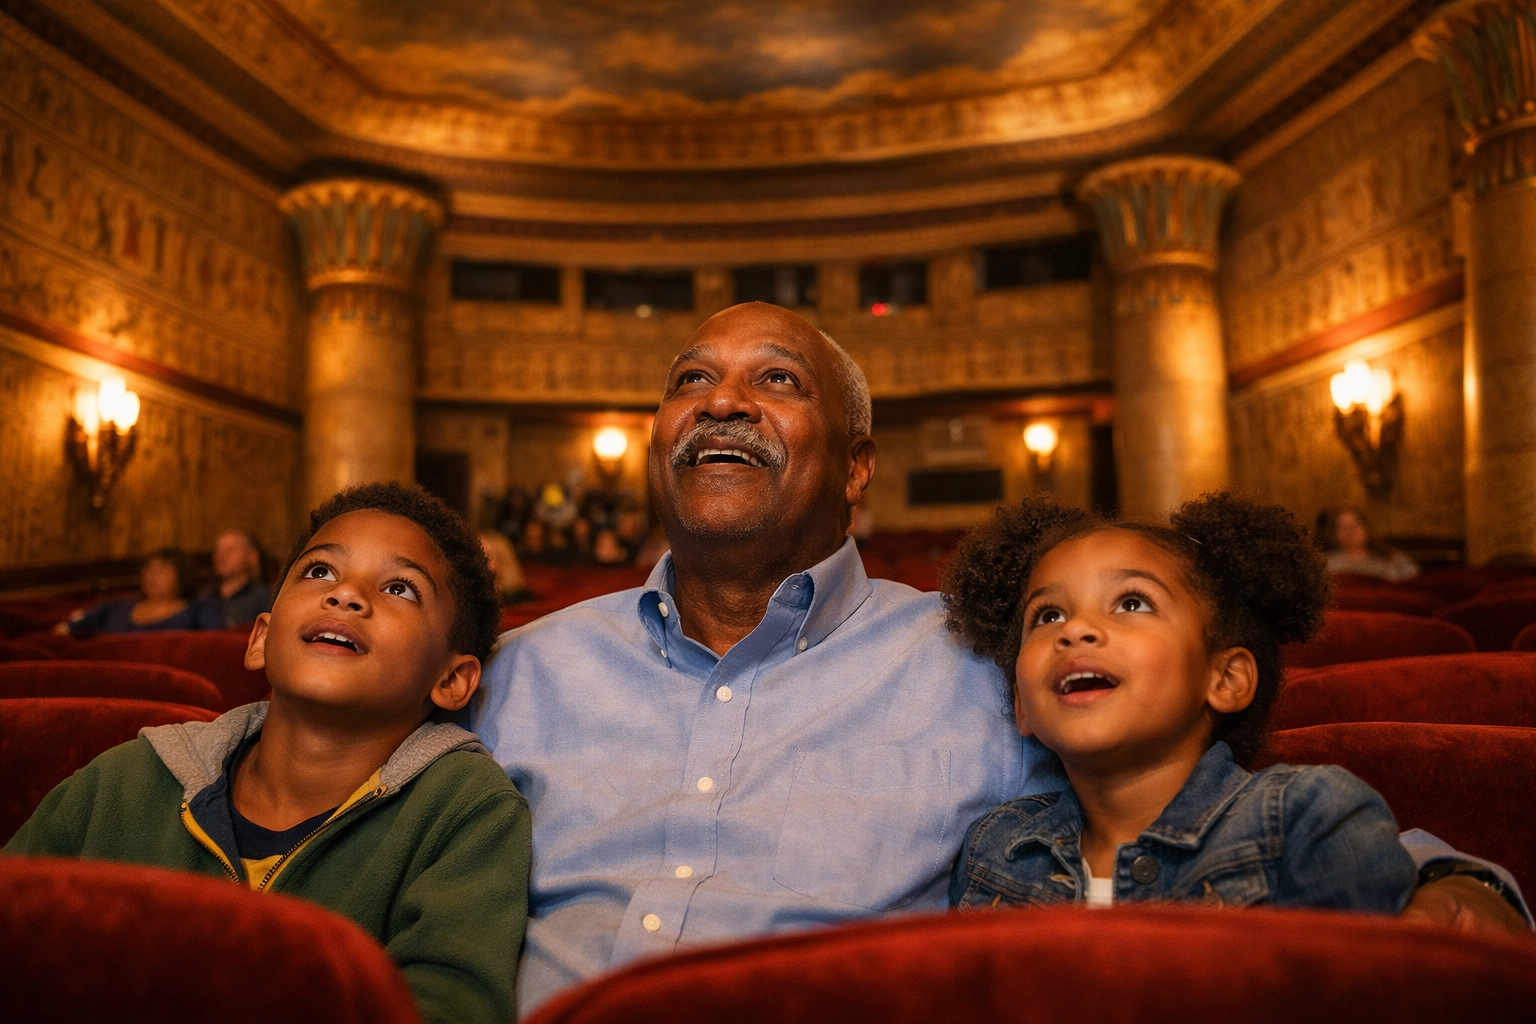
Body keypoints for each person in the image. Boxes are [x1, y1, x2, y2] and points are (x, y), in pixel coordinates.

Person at [475, 303, 1528, 1016]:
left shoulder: (989, 662)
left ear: (858, 467)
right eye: (692, 378)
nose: (721, 399)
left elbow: (1207, 807)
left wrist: (1449, 878)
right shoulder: (519, 665)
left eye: (776, 378)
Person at [11, 483, 531, 1024]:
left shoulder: (465, 813)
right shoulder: (121, 782)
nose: (346, 595)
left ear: (452, 679)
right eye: (320, 572)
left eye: (400, 588)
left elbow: (450, 1004)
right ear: (260, 637)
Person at [944, 493, 1416, 912]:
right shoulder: (995, 848)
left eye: (1132, 603)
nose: (1074, 629)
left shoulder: (1305, 819)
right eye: (1048, 615)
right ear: (1021, 706)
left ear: (1226, 679)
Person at [57, 548, 221, 637]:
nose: (152, 575)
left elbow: (215, 645)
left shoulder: (199, 609)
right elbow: (68, 629)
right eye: (148, 569)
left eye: (161, 569)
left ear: (181, 576)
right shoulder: (116, 607)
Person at [1319, 507, 1419, 581]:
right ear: (1333, 533)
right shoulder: (1325, 564)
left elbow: (1414, 580)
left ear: (1366, 528)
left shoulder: (1392, 559)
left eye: (1355, 525)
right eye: (1343, 527)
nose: (1351, 531)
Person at [203, 529, 274, 628]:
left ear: (252, 556)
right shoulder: (205, 596)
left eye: (229, 550)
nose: (221, 556)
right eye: (218, 551)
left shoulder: (265, 597)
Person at [479, 529, 537, 604]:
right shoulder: (468, 600)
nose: (480, 562)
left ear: (504, 561)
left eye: (487, 556)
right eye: (476, 556)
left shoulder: (521, 600)